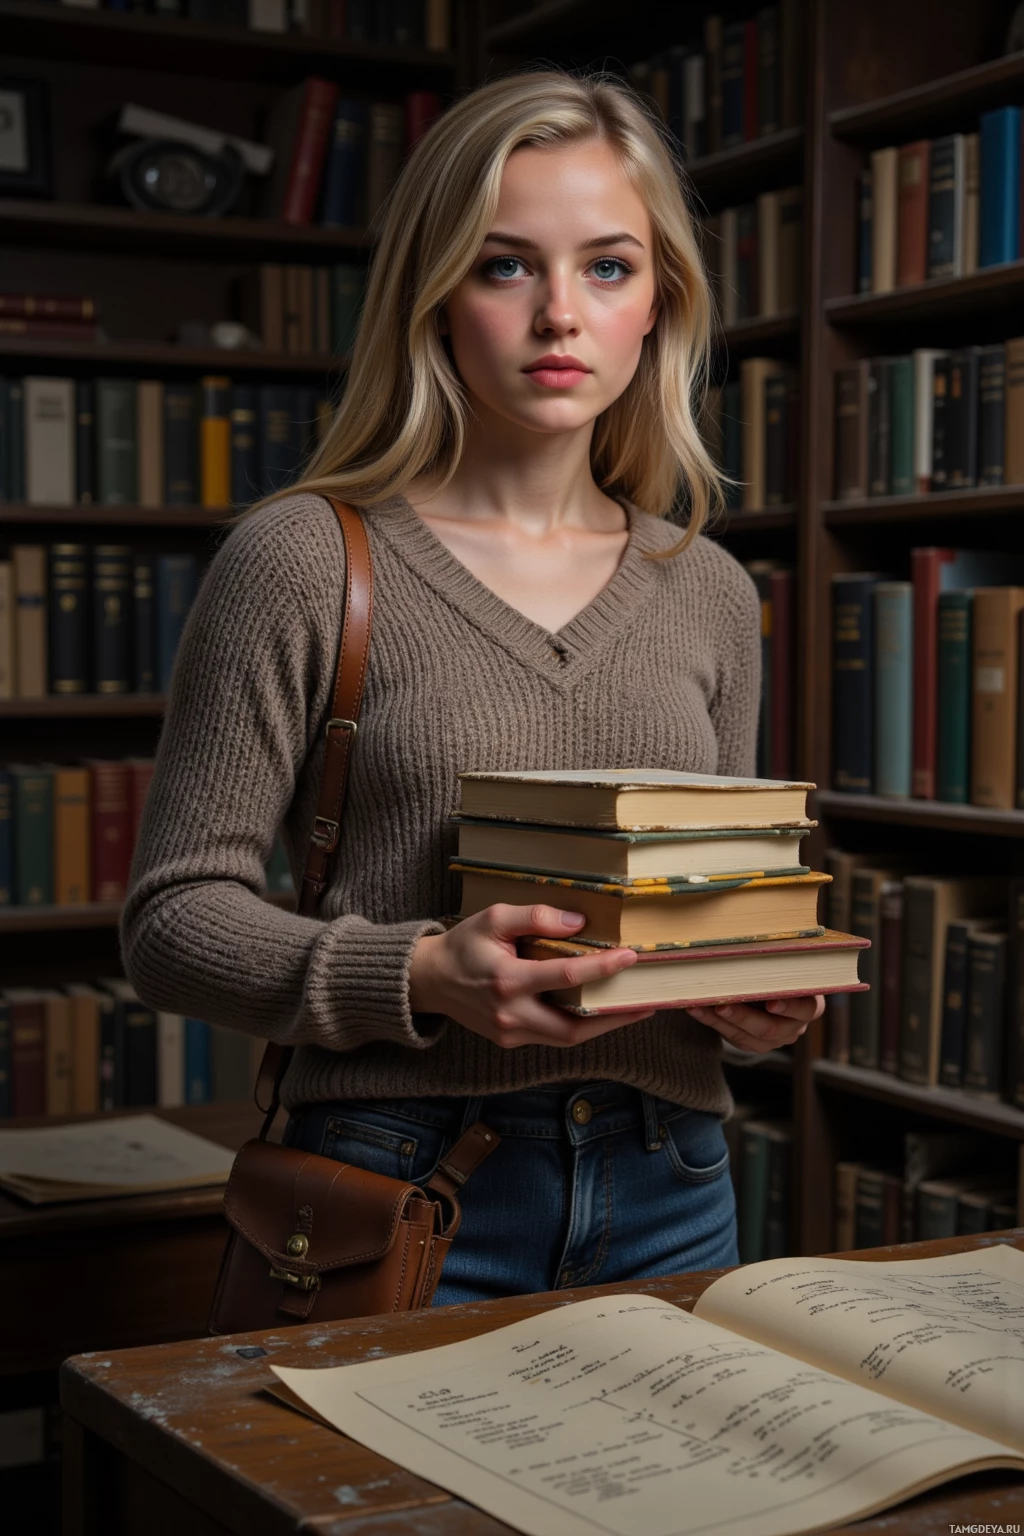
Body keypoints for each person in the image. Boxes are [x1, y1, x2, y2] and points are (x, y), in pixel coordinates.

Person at [121, 69, 823, 1304]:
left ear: (660, 300)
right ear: (436, 294)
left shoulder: (707, 585)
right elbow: (173, 923)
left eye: (607, 266)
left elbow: (700, 899)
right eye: (506, 266)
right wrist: (421, 975)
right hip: (394, 1186)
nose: (562, 313)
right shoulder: (304, 559)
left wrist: (748, 990)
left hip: (677, 1182)